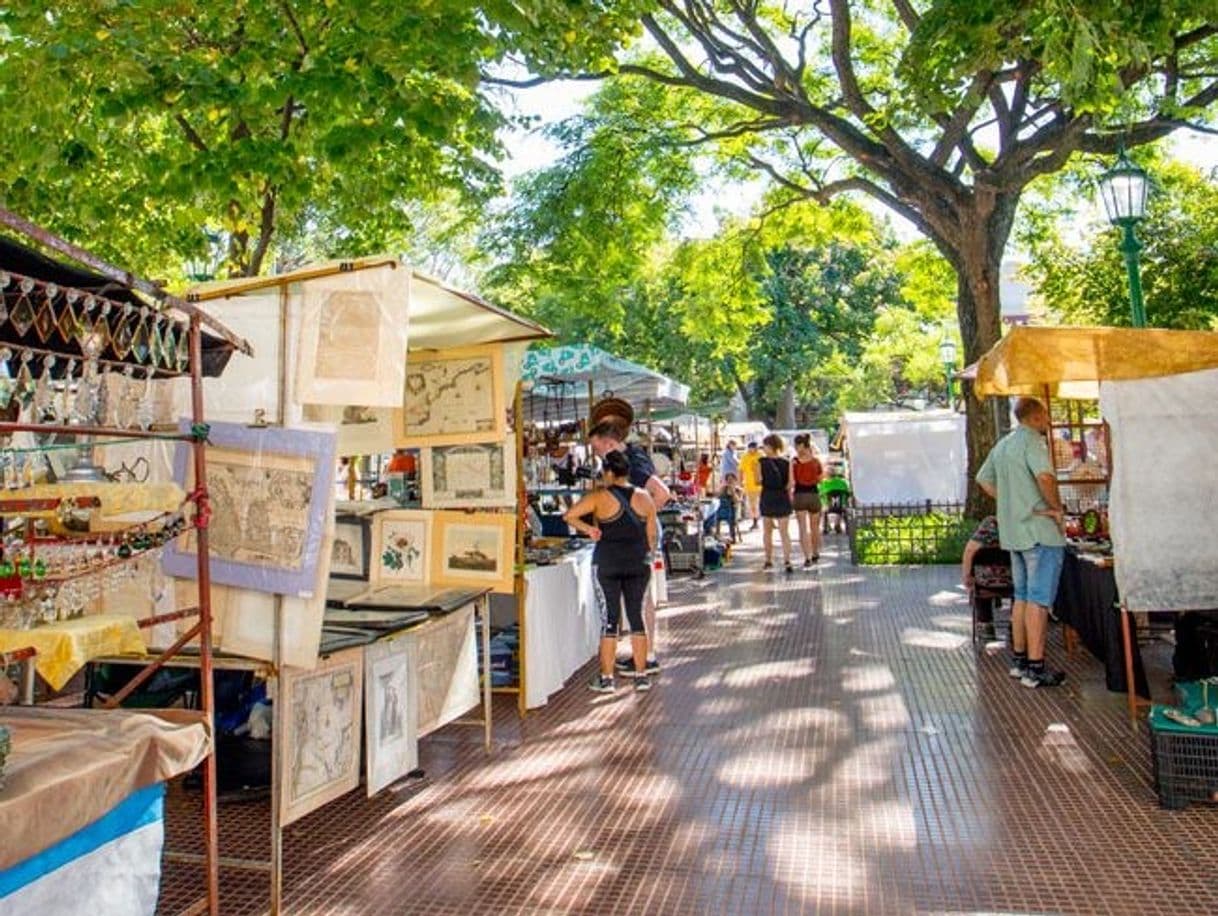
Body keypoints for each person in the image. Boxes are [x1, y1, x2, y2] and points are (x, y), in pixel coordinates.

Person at [977, 396, 1067, 688]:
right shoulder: (1032, 443)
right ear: (1037, 416)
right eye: (1045, 415)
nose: (1048, 421)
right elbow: (1045, 476)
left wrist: (1010, 503)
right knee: (1039, 601)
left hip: (1014, 534)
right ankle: (1036, 666)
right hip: (1039, 532)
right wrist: (1055, 508)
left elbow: (983, 479)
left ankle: (1019, 659)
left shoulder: (1003, 445)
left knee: (1022, 597)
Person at [563, 450, 658, 694]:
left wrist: (590, 530)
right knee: (637, 617)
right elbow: (652, 535)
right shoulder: (645, 497)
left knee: (610, 620)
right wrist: (650, 555)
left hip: (607, 564)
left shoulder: (599, 497)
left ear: (608, 472)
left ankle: (606, 678)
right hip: (639, 564)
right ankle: (641, 675)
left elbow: (569, 515)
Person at [588, 419, 671, 676]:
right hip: (635, 539)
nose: (597, 454)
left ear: (610, 443)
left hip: (639, 540)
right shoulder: (627, 460)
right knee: (640, 597)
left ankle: (646, 657)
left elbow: (662, 493)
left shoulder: (633, 463)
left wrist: (637, 518)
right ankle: (644, 654)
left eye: (597, 448)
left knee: (642, 597)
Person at [960, 515, 1009, 642]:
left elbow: (970, 550)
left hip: (986, 582)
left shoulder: (991, 524)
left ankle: (985, 624)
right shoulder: (1024, 522)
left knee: (978, 584)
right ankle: (1016, 624)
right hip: (1015, 581)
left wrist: (966, 576)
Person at [758, 433, 794, 572]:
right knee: (784, 532)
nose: (763, 448)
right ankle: (787, 560)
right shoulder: (787, 462)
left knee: (767, 531)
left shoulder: (761, 462)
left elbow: (758, 480)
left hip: (767, 495)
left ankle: (768, 560)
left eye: (765, 446)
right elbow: (790, 483)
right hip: (782, 497)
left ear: (771, 446)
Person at [791, 434, 823, 566]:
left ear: (801, 445)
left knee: (802, 528)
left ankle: (807, 557)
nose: (795, 447)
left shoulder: (794, 462)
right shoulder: (816, 461)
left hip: (799, 495)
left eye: (796, 445)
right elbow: (821, 479)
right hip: (814, 494)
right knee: (815, 527)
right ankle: (815, 553)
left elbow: (792, 481)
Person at [818, 461, 851, 534]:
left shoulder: (823, 483)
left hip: (828, 506)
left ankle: (826, 527)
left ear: (826, 474)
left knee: (822, 507)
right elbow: (848, 493)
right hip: (841, 506)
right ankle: (838, 525)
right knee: (841, 508)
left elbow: (820, 494)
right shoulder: (843, 482)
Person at [738, 441, 762, 531]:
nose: (753, 450)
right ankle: (755, 521)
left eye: (755, 448)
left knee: (764, 503)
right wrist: (740, 482)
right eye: (752, 448)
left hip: (761, 484)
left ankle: (771, 521)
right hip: (749, 484)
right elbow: (740, 470)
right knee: (752, 505)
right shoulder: (745, 457)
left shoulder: (760, 456)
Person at [714, 472, 742, 542]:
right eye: (728, 480)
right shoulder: (723, 489)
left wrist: (733, 492)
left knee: (731, 518)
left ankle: (732, 537)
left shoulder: (738, 490)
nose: (730, 482)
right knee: (716, 516)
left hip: (732, 510)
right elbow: (717, 497)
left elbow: (738, 501)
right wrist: (721, 490)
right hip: (722, 510)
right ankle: (717, 535)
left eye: (732, 480)